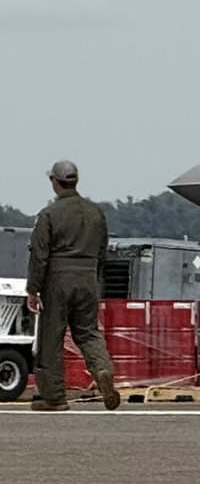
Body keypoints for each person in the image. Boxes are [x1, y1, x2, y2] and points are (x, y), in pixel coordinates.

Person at [25, 160, 120, 413]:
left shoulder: (49, 215)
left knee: (51, 337)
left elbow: (39, 255)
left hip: (57, 279)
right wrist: (94, 278)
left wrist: (32, 289)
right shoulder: (95, 212)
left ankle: (54, 397)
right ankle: (103, 370)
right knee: (88, 332)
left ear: (54, 182)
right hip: (88, 278)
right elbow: (103, 252)